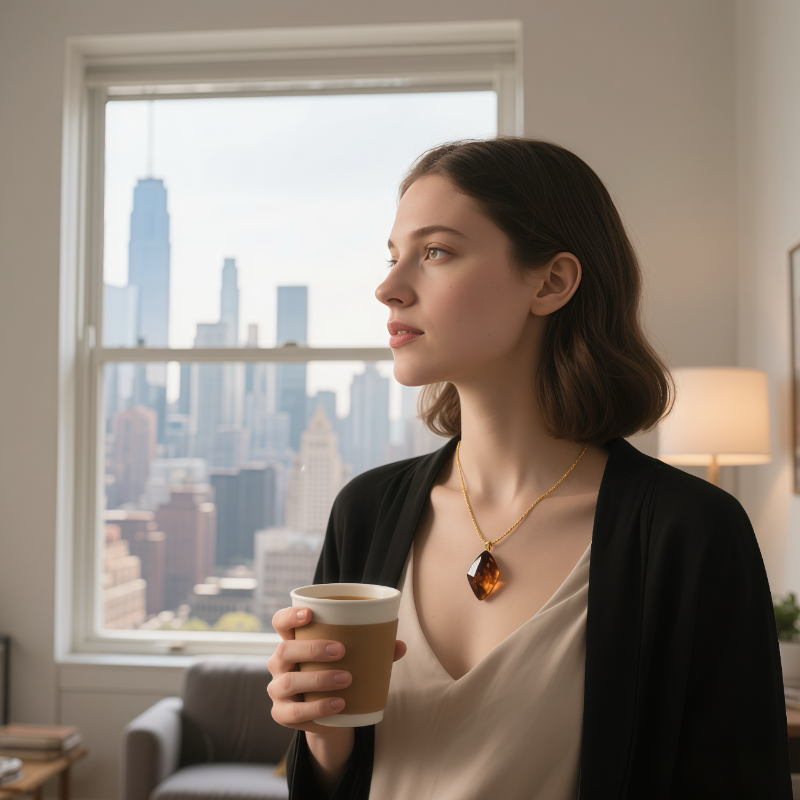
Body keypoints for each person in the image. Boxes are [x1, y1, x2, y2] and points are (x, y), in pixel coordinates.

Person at [267, 138, 792, 799]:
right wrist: (322, 736)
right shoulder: (365, 510)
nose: (388, 288)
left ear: (551, 281)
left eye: (435, 252)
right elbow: (330, 785)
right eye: (394, 256)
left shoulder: (690, 532)